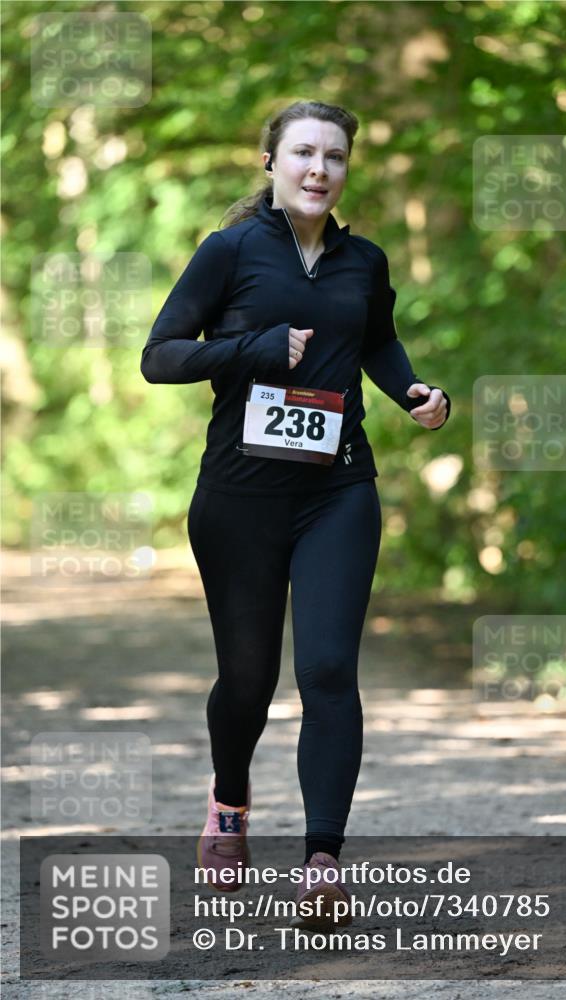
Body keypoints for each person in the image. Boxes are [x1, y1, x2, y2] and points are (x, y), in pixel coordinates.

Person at [140, 99, 450, 929]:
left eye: (335, 157)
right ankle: (230, 805)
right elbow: (159, 356)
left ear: (347, 170)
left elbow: (378, 340)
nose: (320, 169)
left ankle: (321, 862)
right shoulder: (230, 251)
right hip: (238, 497)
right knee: (248, 681)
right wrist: (249, 347)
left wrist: (412, 391)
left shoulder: (364, 259)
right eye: (305, 153)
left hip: (337, 491)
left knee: (326, 672)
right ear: (270, 162)